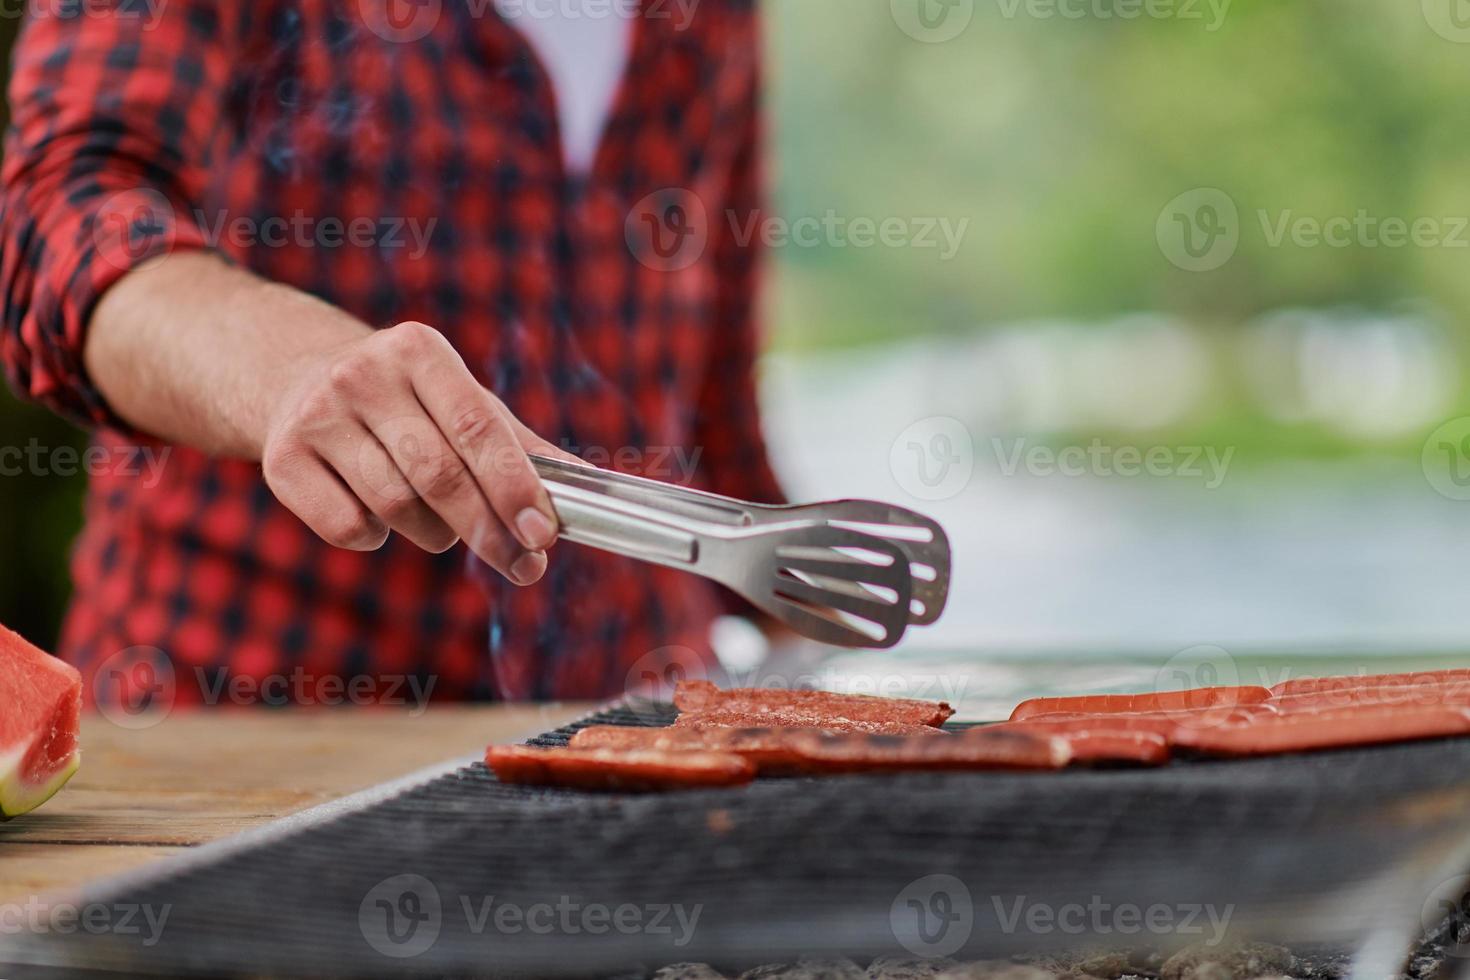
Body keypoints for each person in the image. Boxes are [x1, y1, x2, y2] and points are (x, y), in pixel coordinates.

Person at [0, 0, 783, 705]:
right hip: (251, 718)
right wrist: (289, 369)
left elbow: (713, 399)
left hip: (629, 718)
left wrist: (797, 602)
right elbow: (60, 211)